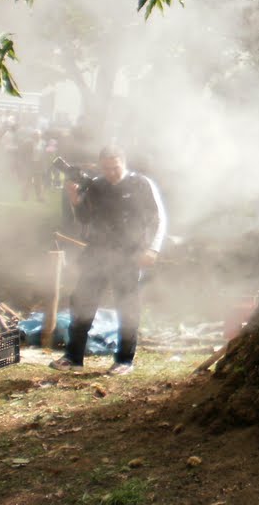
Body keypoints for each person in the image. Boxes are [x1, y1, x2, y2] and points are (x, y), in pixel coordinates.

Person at [49, 145, 166, 375]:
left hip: (129, 254)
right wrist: (74, 200)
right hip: (97, 252)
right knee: (82, 302)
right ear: (100, 166)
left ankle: (124, 360)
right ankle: (73, 357)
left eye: (115, 168)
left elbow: (158, 219)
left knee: (127, 306)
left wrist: (152, 249)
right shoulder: (96, 186)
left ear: (123, 163)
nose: (111, 172)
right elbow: (85, 219)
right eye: (106, 168)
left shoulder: (140, 184)